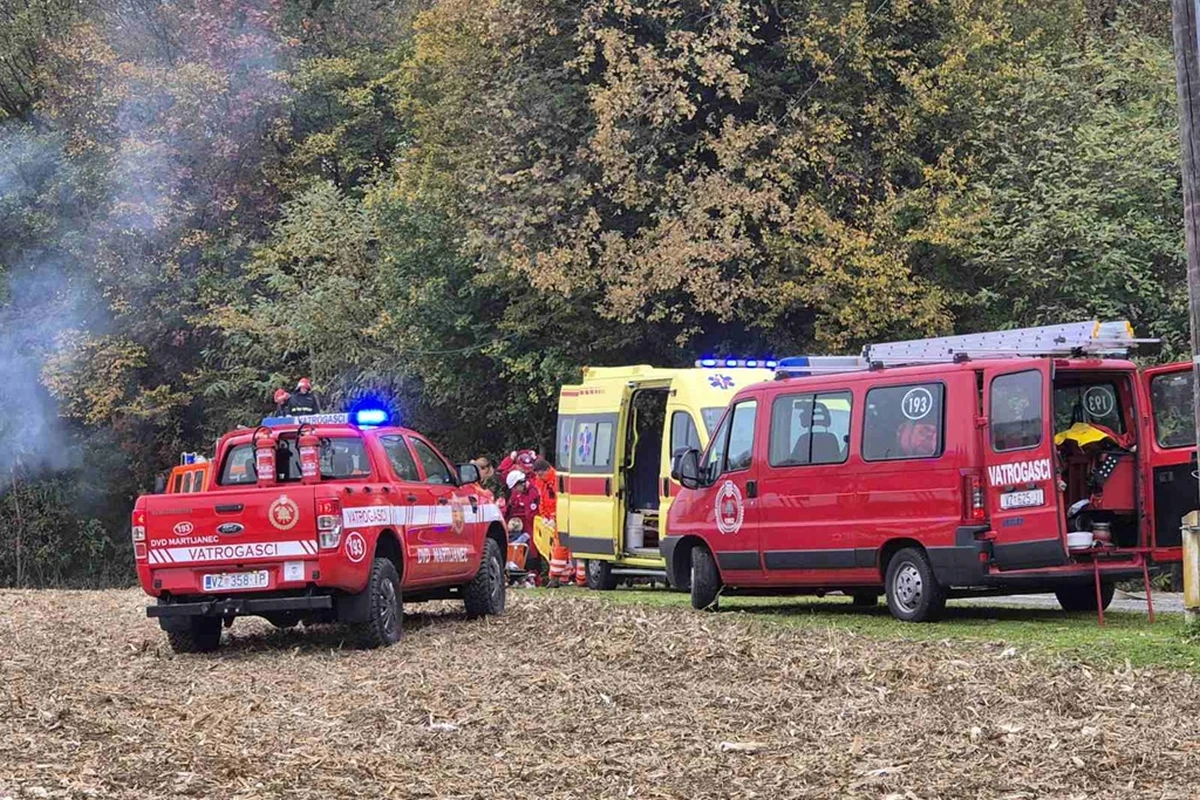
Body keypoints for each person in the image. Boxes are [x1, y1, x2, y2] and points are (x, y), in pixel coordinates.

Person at [505, 468, 541, 579]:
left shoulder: (533, 493)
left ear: (521, 483)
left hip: (531, 525)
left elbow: (532, 514)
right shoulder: (516, 494)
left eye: (515, 487)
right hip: (519, 526)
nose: (515, 490)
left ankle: (534, 574)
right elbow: (510, 507)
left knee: (532, 549)